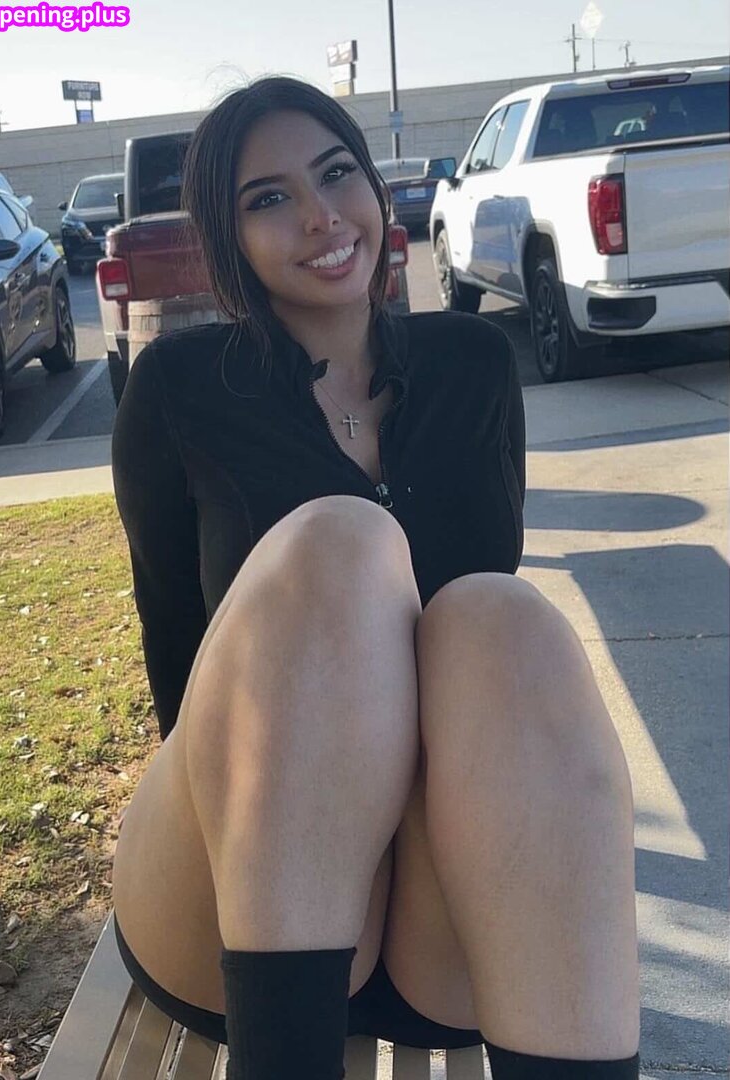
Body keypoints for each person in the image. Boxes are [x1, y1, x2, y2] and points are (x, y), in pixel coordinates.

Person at [109, 75, 641, 1080]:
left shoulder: (472, 365)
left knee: (498, 616)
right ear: (229, 238)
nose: (320, 216)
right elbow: (177, 656)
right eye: (269, 198)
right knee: (339, 545)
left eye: (335, 173)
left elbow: (479, 667)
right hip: (245, 891)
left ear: (374, 186)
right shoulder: (177, 389)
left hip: (441, 911)